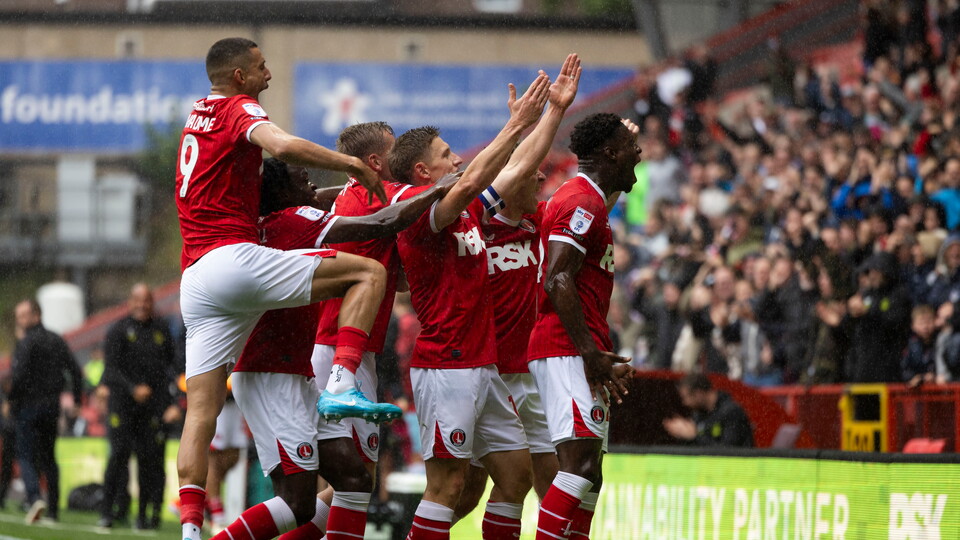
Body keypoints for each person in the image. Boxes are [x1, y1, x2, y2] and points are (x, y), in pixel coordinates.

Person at [175, 37, 392, 540]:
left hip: (196, 275)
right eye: (260, 67)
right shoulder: (236, 107)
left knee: (201, 412)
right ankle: (341, 380)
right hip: (232, 259)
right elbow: (282, 146)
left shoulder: (197, 115)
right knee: (368, 273)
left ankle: (189, 529)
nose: (268, 75)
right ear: (238, 78)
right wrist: (354, 166)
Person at [212, 157, 457, 540]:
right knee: (297, 502)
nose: (313, 187)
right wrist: (438, 190)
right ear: (283, 194)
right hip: (269, 375)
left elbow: (328, 197)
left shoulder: (270, 224)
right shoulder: (294, 221)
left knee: (354, 478)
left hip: (294, 371)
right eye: (302, 178)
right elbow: (380, 222)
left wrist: (353, 189)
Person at [391, 72, 551, 539]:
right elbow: (475, 179)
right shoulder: (423, 210)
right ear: (423, 172)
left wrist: (548, 114)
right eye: (446, 155)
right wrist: (515, 125)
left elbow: (515, 169)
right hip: (447, 366)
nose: (456, 159)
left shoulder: (468, 212)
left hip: (483, 365)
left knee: (516, 474)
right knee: (447, 486)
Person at [453, 54, 581, 529]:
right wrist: (543, 116)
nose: (542, 179)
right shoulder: (478, 224)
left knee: (552, 480)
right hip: (485, 375)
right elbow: (515, 166)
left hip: (530, 376)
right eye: (534, 175)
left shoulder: (542, 223)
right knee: (468, 489)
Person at [527, 112, 640, 539]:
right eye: (630, 148)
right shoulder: (579, 202)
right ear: (609, 153)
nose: (639, 154)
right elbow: (558, 277)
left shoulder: (587, 199)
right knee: (578, 468)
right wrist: (590, 353)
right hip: (566, 348)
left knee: (591, 475)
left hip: (574, 347)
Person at [99, 283, 179, 530]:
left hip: (153, 408)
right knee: (118, 457)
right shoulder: (118, 330)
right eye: (137, 300)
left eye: (147, 300)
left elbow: (172, 368)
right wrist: (133, 388)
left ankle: (147, 515)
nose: (142, 305)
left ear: (152, 303)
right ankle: (109, 511)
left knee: (151, 461)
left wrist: (172, 402)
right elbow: (110, 370)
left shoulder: (162, 329)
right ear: (130, 301)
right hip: (123, 405)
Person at [8, 298, 83, 524]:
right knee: (49, 457)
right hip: (51, 407)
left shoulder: (26, 342)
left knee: (26, 454)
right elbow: (75, 371)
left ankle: (33, 497)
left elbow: (18, 376)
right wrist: (77, 400)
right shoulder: (55, 340)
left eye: (23, 316)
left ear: (35, 315)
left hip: (28, 407)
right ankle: (53, 510)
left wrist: (10, 400)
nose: (20, 321)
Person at [663, 373, 755, 447]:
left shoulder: (732, 412)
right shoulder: (698, 414)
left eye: (685, 398)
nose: (685, 403)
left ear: (698, 394)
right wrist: (683, 434)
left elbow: (729, 451)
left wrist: (694, 436)